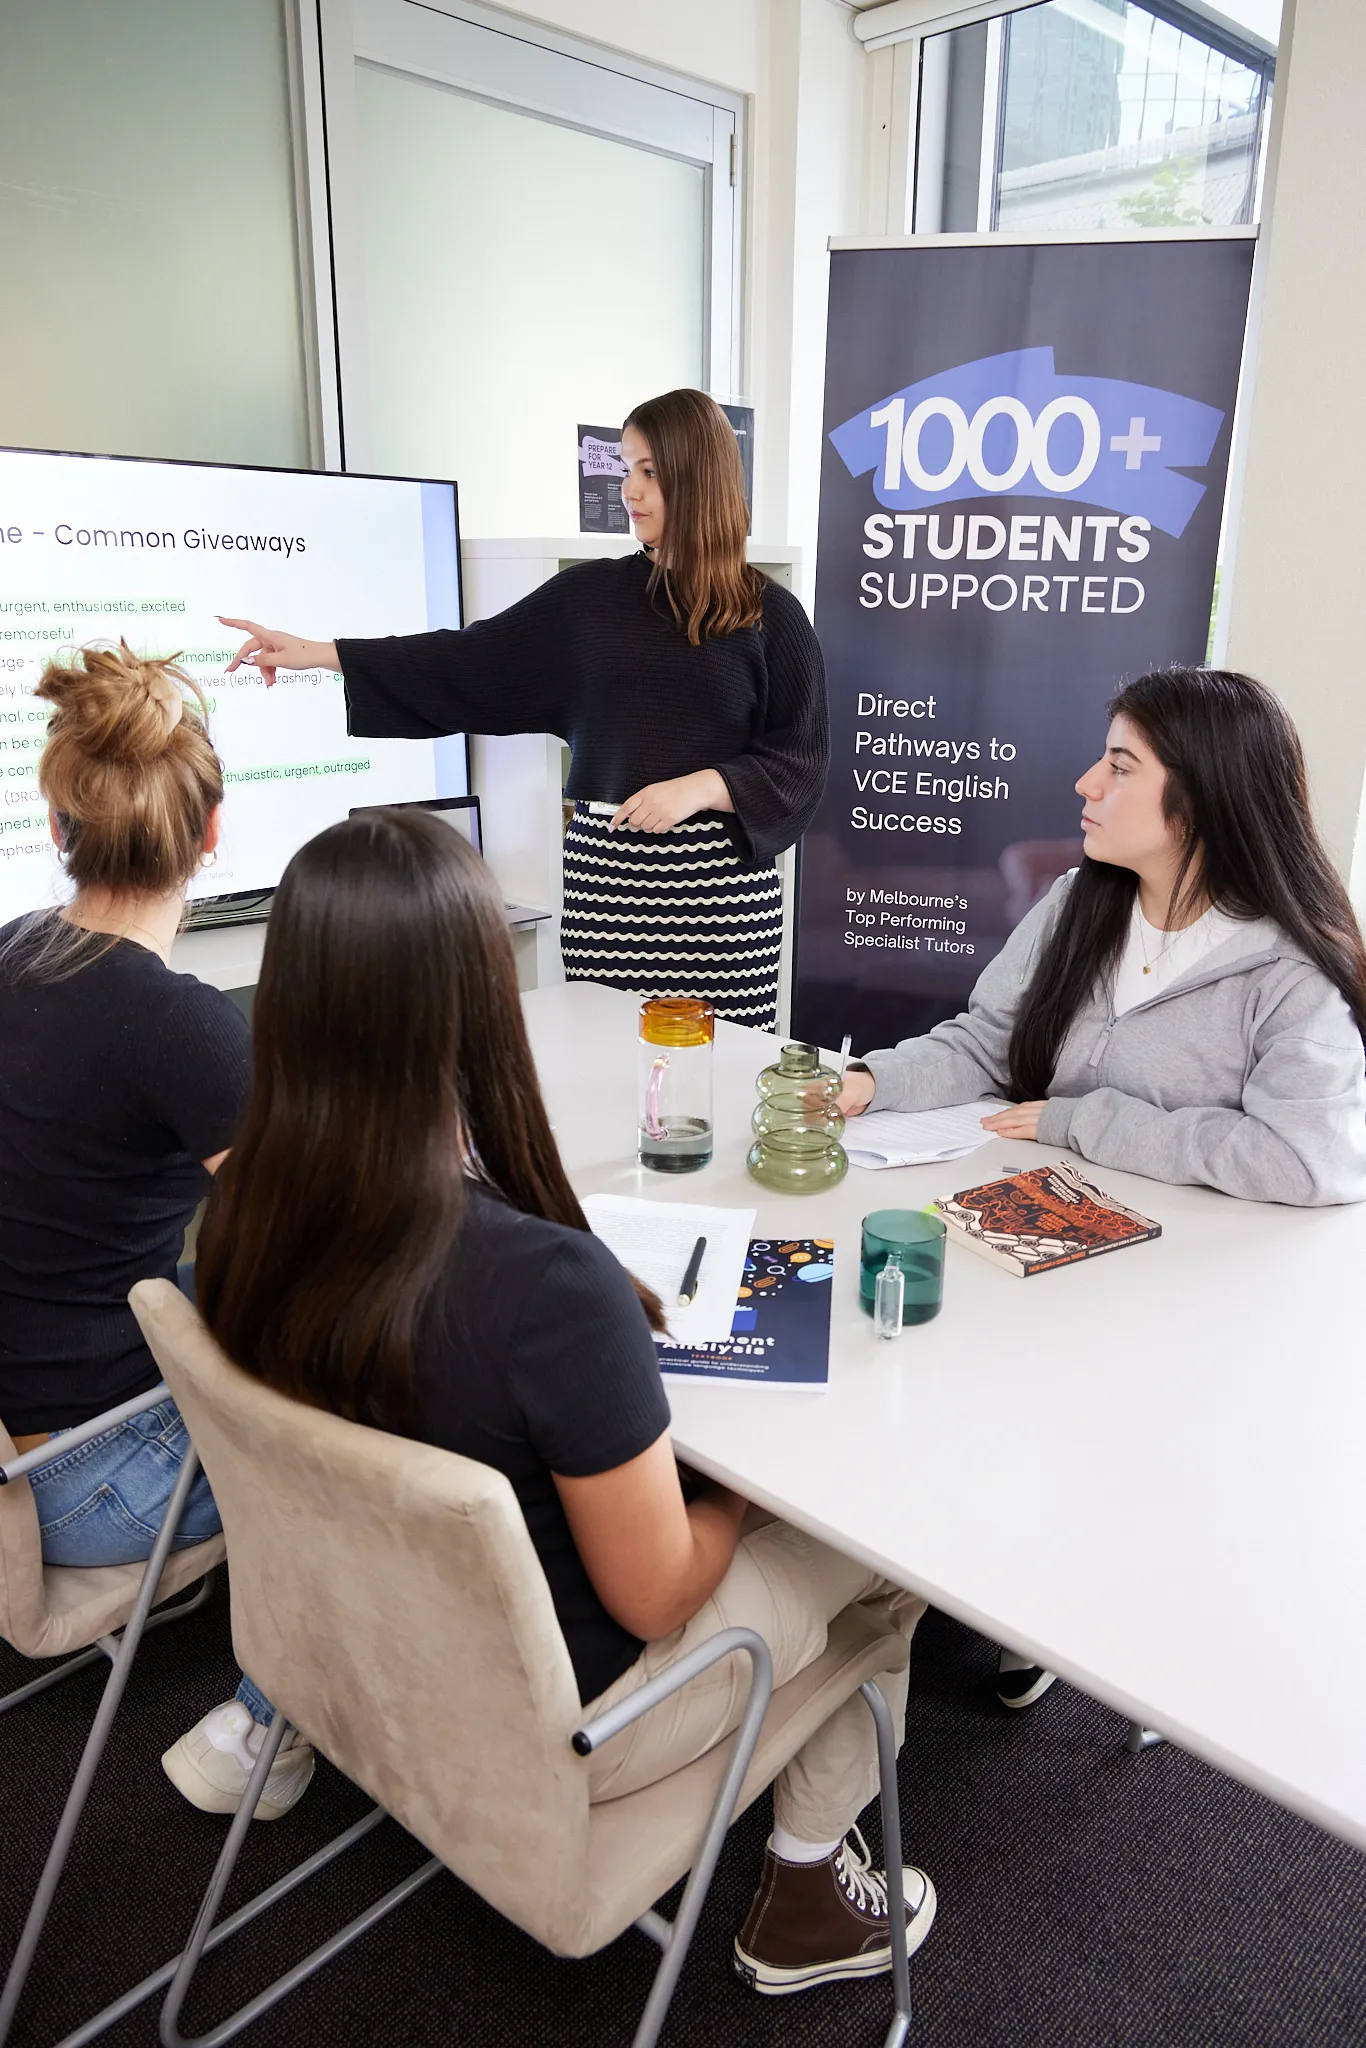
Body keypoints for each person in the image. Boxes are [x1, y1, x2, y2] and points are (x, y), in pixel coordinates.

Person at [193, 808, 935, 1996]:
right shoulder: (542, 1285)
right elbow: (656, 1592)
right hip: (579, 1714)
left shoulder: (241, 1215)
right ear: (483, 1003)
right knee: (885, 1542)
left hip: (352, 1650)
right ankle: (805, 1889)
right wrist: (737, 1494)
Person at [836, 665, 1366, 1708]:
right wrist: (863, 1082)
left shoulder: (1287, 970)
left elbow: (1313, 1159)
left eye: (1119, 764)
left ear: (1198, 797)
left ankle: (1048, 1595)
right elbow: (985, 1045)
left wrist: (1089, 1122)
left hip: (1174, 1298)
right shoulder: (1078, 901)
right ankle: (954, 1561)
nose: (1084, 782)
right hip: (1034, 1239)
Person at [218, 388, 829, 1032]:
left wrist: (701, 787)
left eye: (650, 472)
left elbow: (802, 760)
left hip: (723, 911)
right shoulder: (589, 599)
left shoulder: (770, 617)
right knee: (602, 1076)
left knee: (718, 1088)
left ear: (699, 477)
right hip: (612, 894)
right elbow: (468, 661)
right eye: (626, 469)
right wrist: (319, 652)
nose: (630, 490)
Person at [0, 643, 308, 1819]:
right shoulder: (180, 1026)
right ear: (214, 833)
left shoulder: (16, 951)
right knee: (362, 1411)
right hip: (87, 1483)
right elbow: (317, 1232)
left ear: (59, 827)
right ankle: (270, 1725)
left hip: (18, 1443)